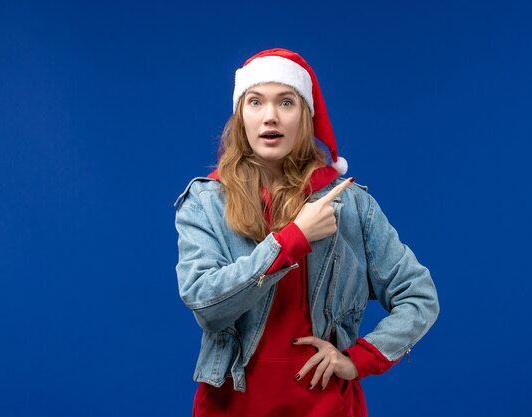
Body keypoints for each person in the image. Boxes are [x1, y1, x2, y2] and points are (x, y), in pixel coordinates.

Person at [174, 48, 439, 417]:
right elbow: (207, 305)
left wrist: (359, 359)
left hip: (327, 408)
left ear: (305, 116)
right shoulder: (206, 203)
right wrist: (292, 239)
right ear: (241, 116)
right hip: (232, 407)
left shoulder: (352, 206)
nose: (270, 116)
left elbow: (418, 296)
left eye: (286, 102)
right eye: (255, 102)